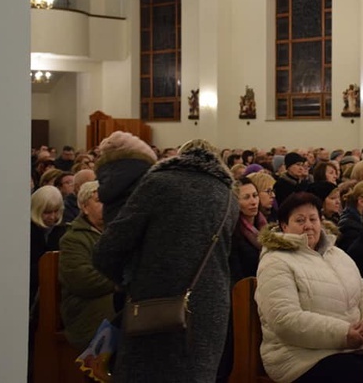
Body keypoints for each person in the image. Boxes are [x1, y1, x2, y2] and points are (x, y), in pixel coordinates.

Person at [93, 139, 240, 383]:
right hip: (211, 310)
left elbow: (107, 250)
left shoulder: (159, 183)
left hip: (156, 305)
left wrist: (131, 281)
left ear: (178, 157)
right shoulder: (228, 198)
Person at [255, 192, 363, 383]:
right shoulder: (275, 260)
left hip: (351, 346)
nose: (308, 226)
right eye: (300, 220)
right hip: (300, 356)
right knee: (356, 375)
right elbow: (284, 319)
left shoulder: (337, 254)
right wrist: (344, 334)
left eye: (313, 219)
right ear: (284, 226)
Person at [58, 181, 116, 349]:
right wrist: (121, 279)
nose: (106, 206)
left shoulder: (117, 234)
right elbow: (83, 281)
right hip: (86, 308)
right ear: (84, 207)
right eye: (99, 201)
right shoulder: (73, 239)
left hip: (112, 299)